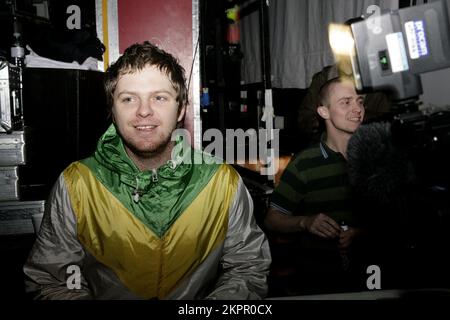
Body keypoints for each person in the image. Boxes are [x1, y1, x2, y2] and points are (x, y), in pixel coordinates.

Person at [23, 41, 271, 300]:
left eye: (159, 98)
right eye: (129, 99)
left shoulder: (221, 183)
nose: (144, 111)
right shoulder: (77, 184)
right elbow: (53, 280)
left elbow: (247, 268)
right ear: (112, 110)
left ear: (181, 109)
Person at [264, 76, 365, 296]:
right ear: (324, 112)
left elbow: (403, 219)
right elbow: (272, 219)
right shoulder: (304, 163)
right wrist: (305, 222)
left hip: (372, 275)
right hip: (319, 280)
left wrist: (362, 233)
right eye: (346, 102)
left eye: (360, 101)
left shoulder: (377, 156)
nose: (357, 109)